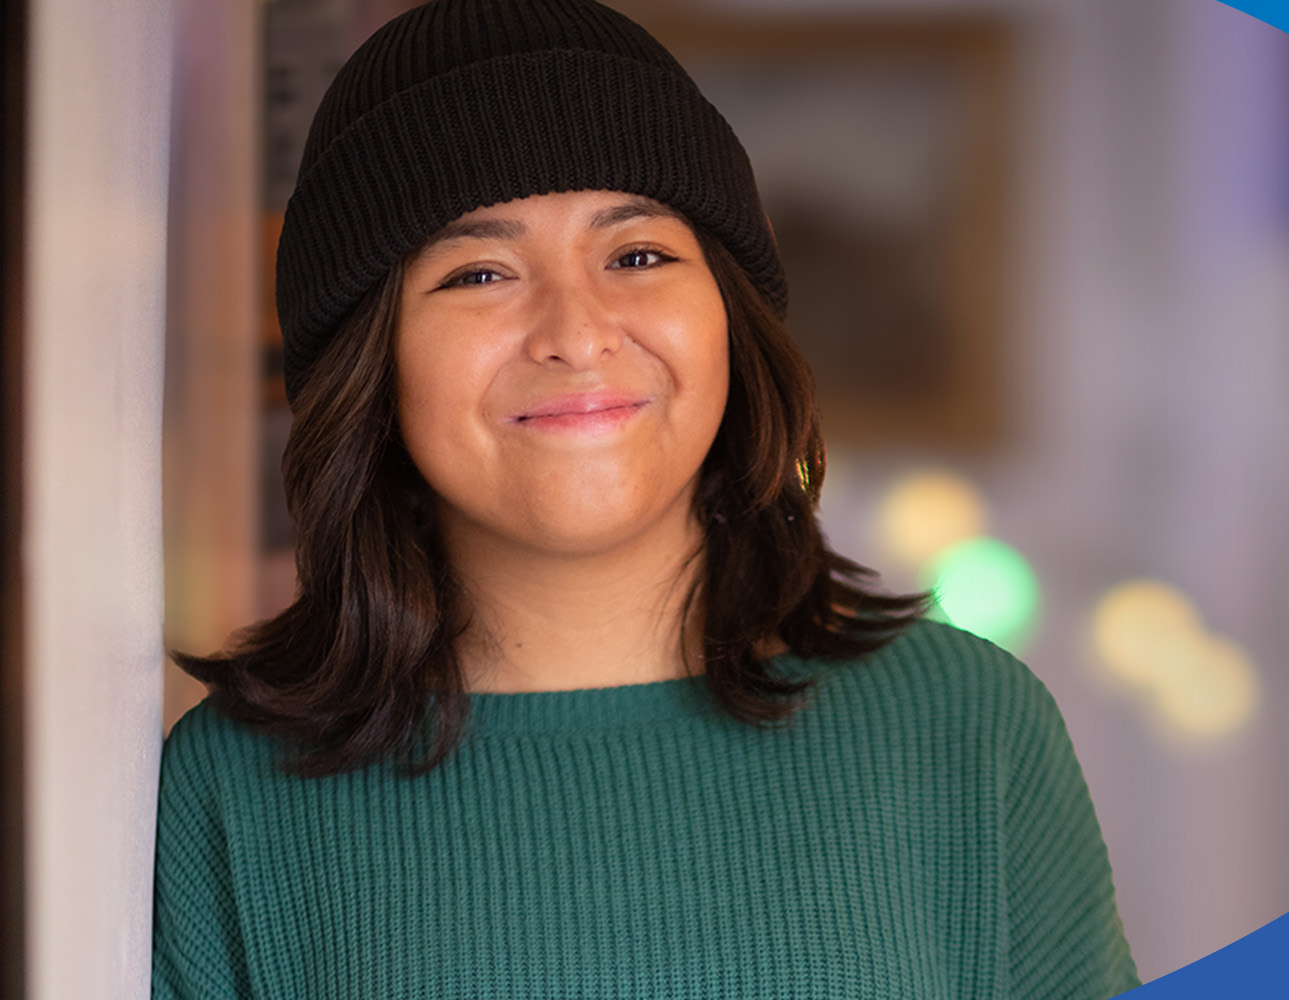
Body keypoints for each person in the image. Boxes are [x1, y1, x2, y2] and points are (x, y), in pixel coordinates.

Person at [150, 1, 1140, 997]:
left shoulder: (967, 725)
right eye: (479, 272)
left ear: (729, 317)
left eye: (637, 256)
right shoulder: (228, 791)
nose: (577, 334)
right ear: (372, 365)